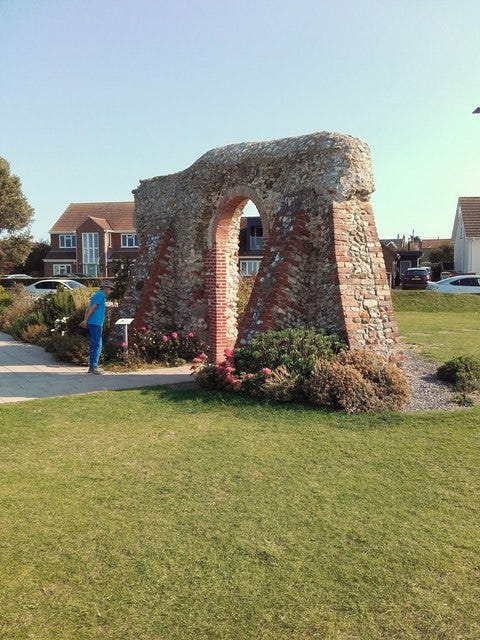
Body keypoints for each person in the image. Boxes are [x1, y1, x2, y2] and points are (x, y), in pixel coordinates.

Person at [79, 279, 114, 374]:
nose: (111, 291)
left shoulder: (97, 295)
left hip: (93, 323)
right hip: (96, 323)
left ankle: (91, 367)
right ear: (106, 288)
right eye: (110, 288)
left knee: (93, 345)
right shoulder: (101, 296)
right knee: (98, 345)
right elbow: (93, 308)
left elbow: (88, 309)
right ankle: (94, 367)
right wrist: (85, 320)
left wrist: (85, 320)